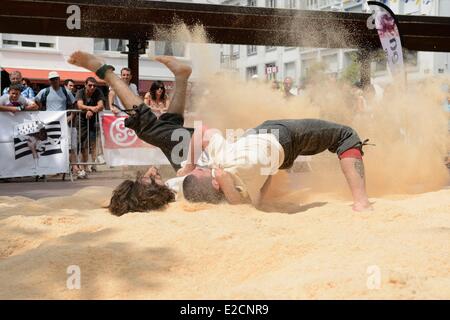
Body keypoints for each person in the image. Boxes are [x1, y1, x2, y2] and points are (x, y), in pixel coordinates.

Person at [180, 119, 373, 212]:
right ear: (215, 183)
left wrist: (193, 170)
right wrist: (189, 165)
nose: (202, 167)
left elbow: (240, 199)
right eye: (201, 170)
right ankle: (362, 202)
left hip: (271, 149)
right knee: (346, 135)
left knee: (266, 170)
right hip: (278, 137)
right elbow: (201, 130)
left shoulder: (241, 194)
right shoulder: (225, 165)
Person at [75, 77, 105, 177]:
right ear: (85, 85)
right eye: (90, 85)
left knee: (93, 142)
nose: (92, 87)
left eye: (94, 85)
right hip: (82, 121)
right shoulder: (80, 92)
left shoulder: (98, 92)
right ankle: (83, 167)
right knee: (83, 144)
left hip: (93, 120)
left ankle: (91, 164)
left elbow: (101, 106)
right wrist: (91, 109)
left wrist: (90, 110)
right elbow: (80, 105)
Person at [64, 79, 82, 178]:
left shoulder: (72, 96)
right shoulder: (63, 94)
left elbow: (76, 106)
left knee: (73, 147)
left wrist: (71, 116)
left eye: (73, 86)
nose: (72, 88)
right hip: (63, 125)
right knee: (68, 147)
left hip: (72, 125)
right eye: (70, 86)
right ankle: (74, 168)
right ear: (65, 86)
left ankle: (75, 167)